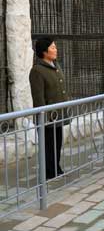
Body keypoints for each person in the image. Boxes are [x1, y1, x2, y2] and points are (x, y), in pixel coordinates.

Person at [29, 38, 69, 180]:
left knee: (57, 144)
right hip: (47, 117)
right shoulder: (37, 71)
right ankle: (49, 173)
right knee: (48, 146)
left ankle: (56, 168)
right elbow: (38, 98)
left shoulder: (55, 66)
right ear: (44, 51)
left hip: (58, 114)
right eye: (52, 47)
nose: (56, 49)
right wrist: (43, 119)